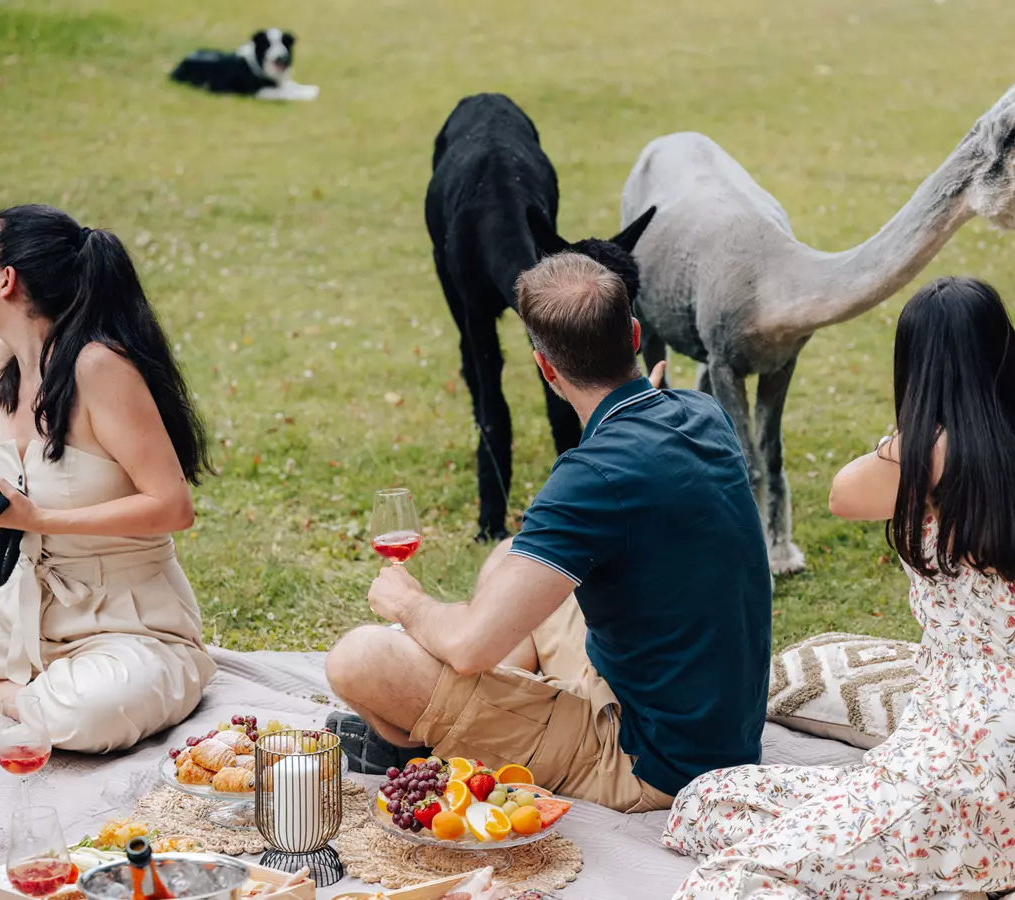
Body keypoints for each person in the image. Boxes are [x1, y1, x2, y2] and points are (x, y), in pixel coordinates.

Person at [662, 276, 1015, 898]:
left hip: (974, 761)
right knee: (708, 802)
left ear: (915, 371)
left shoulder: (923, 461)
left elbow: (842, 492)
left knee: (734, 881)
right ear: (1006, 354)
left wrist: (913, 432)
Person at [325, 252, 773, 812]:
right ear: (634, 335)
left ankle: (450, 735)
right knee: (513, 555)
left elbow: (468, 648)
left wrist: (410, 605)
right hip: (706, 722)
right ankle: (497, 712)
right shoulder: (702, 412)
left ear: (546, 368)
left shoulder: (594, 477)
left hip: (652, 762)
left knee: (359, 658)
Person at [0, 205, 216, 753]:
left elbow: (173, 505)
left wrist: (37, 518)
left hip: (129, 628)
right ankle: (29, 686)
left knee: (86, 716)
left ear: (7, 280)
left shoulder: (99, 367)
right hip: (14, 613)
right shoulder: (0, 363)